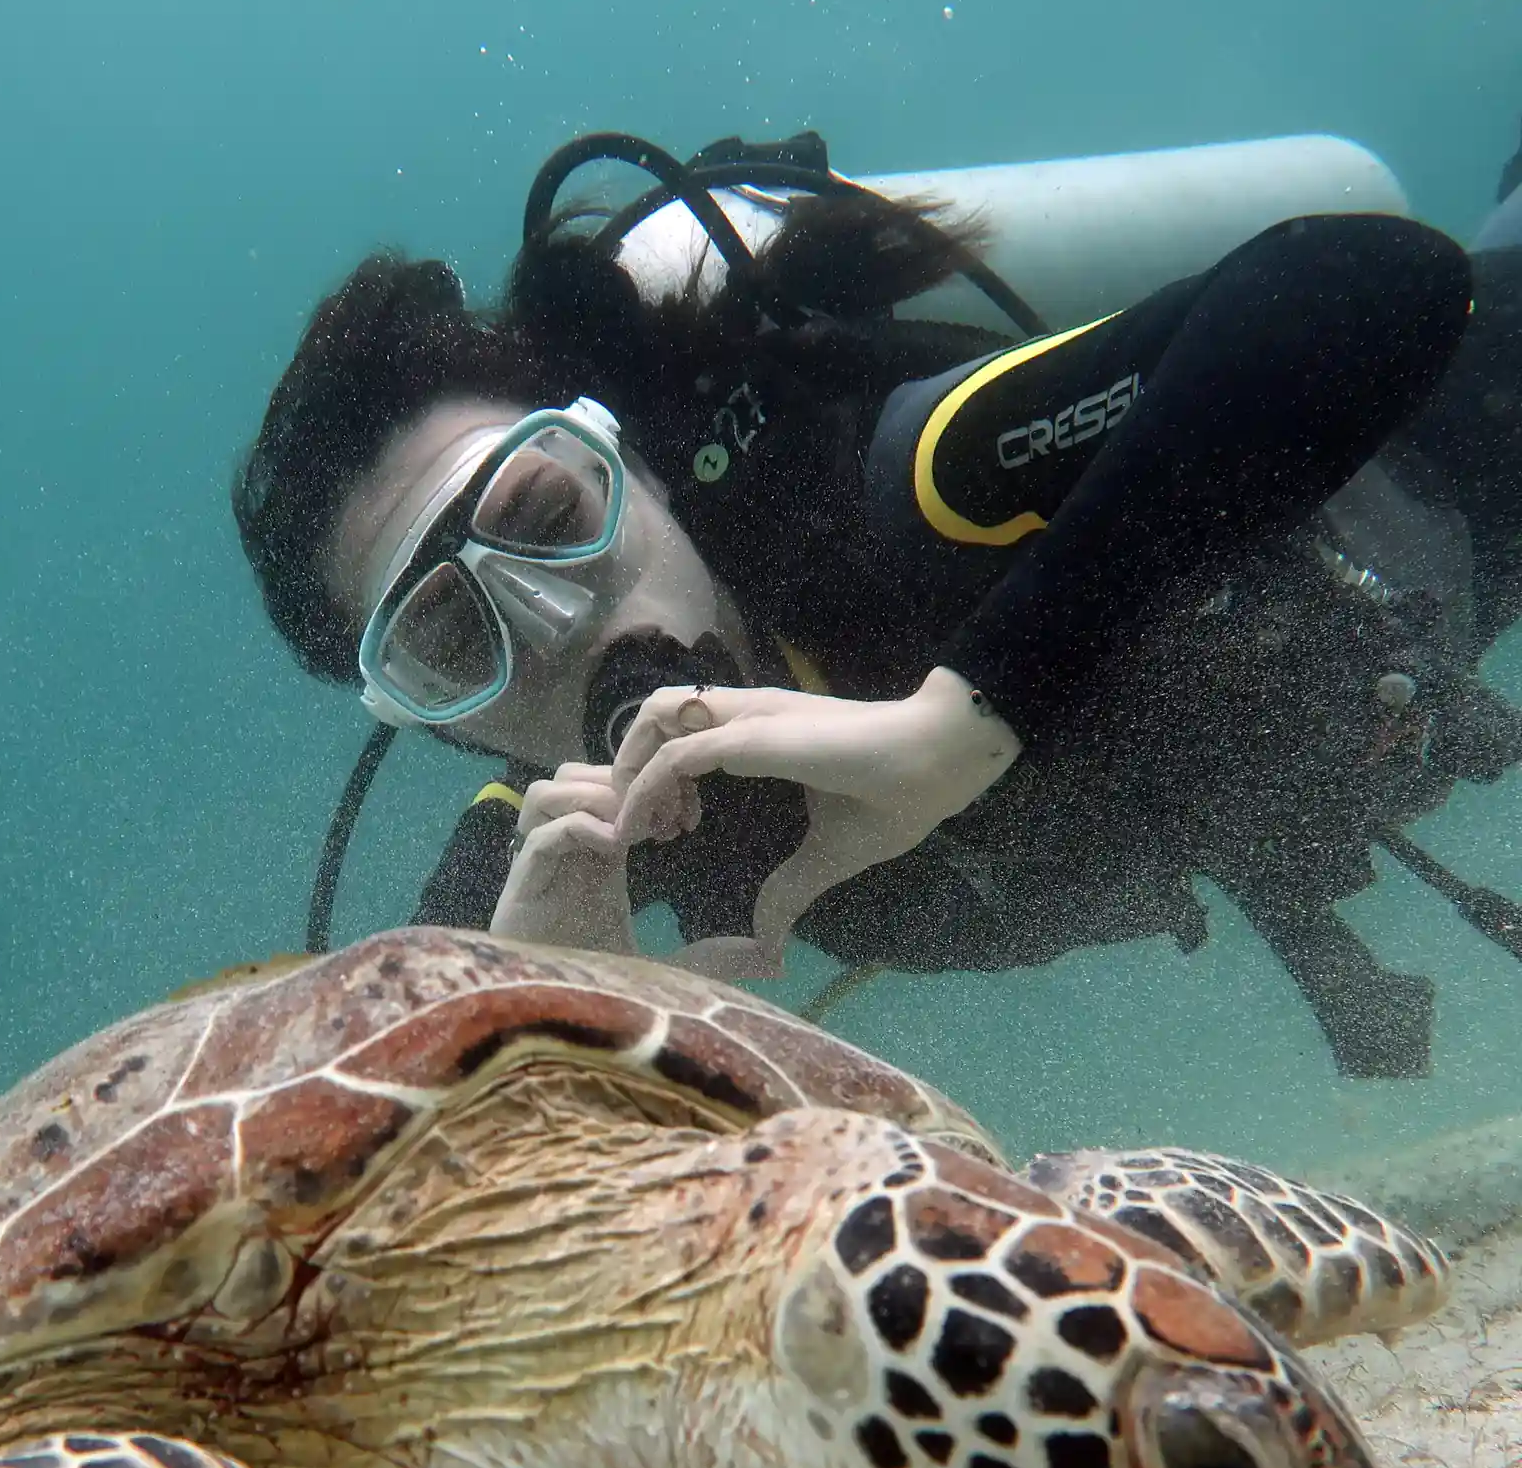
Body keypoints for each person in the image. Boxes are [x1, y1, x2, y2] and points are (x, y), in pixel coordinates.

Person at [236, 129, 1522, 1079]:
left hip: (1460, 457)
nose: (558, 624)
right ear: (454, 729)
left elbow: (1373, 284)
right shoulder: (559, 867)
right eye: (457, 641)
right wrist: (543, 1032)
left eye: (553, 516)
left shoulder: (903, 490)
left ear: (643, 465)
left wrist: (966, 718)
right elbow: (352, 1118)